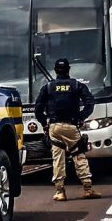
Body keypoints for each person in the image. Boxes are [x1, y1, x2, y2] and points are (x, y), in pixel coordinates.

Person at [34, 58, 102, 201]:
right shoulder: (77, 85)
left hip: (54, 127)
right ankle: (88, 188)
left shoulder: (48, 87)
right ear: (68, 69)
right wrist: (81, 117)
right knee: (79, 156)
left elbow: (38, 108)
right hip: (72, 126)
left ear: (55, 70)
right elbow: (90, 102)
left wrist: (44, 123)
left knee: (57, 159)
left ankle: (60, 191)